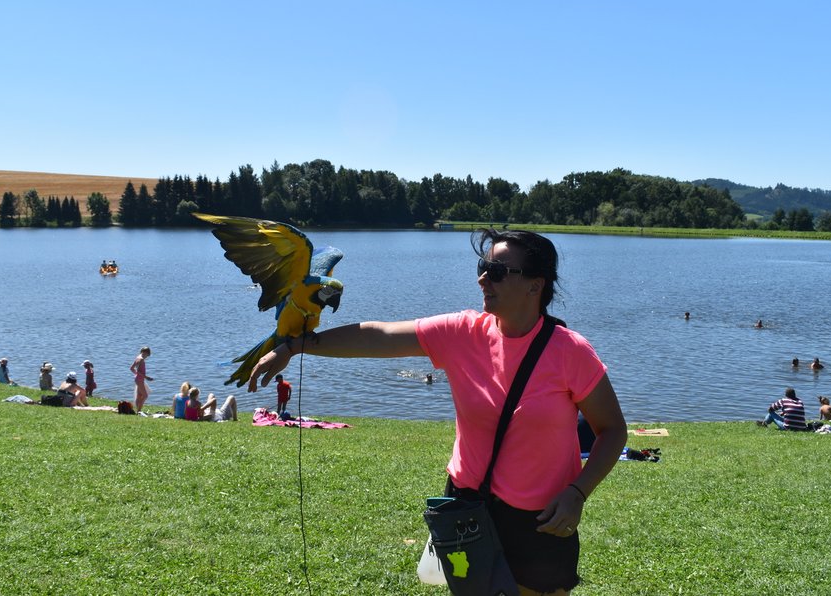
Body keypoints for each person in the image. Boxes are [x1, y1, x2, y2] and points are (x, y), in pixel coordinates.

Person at [248, 227, 628, 595]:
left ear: (535, 284)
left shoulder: (570, 352)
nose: (483, 280)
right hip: (467, 508)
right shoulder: (462, 333)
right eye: (481, 268)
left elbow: (611, 430)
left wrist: (578, 492)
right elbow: (377, 335)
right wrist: (294, 346)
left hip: (542, 521)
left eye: (496, 272)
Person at [129, 346, 153, 412]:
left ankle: (138, 410)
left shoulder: (137, 357)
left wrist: (136, 374)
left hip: (138, 379)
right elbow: (138, 371)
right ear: (145, 352)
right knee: (145, 395)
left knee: (139, 395)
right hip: (139, 380)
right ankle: (139, 410)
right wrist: (146, 377)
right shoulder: (141, 359)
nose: (146, 357)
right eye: (147, 355)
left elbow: (131, 368)